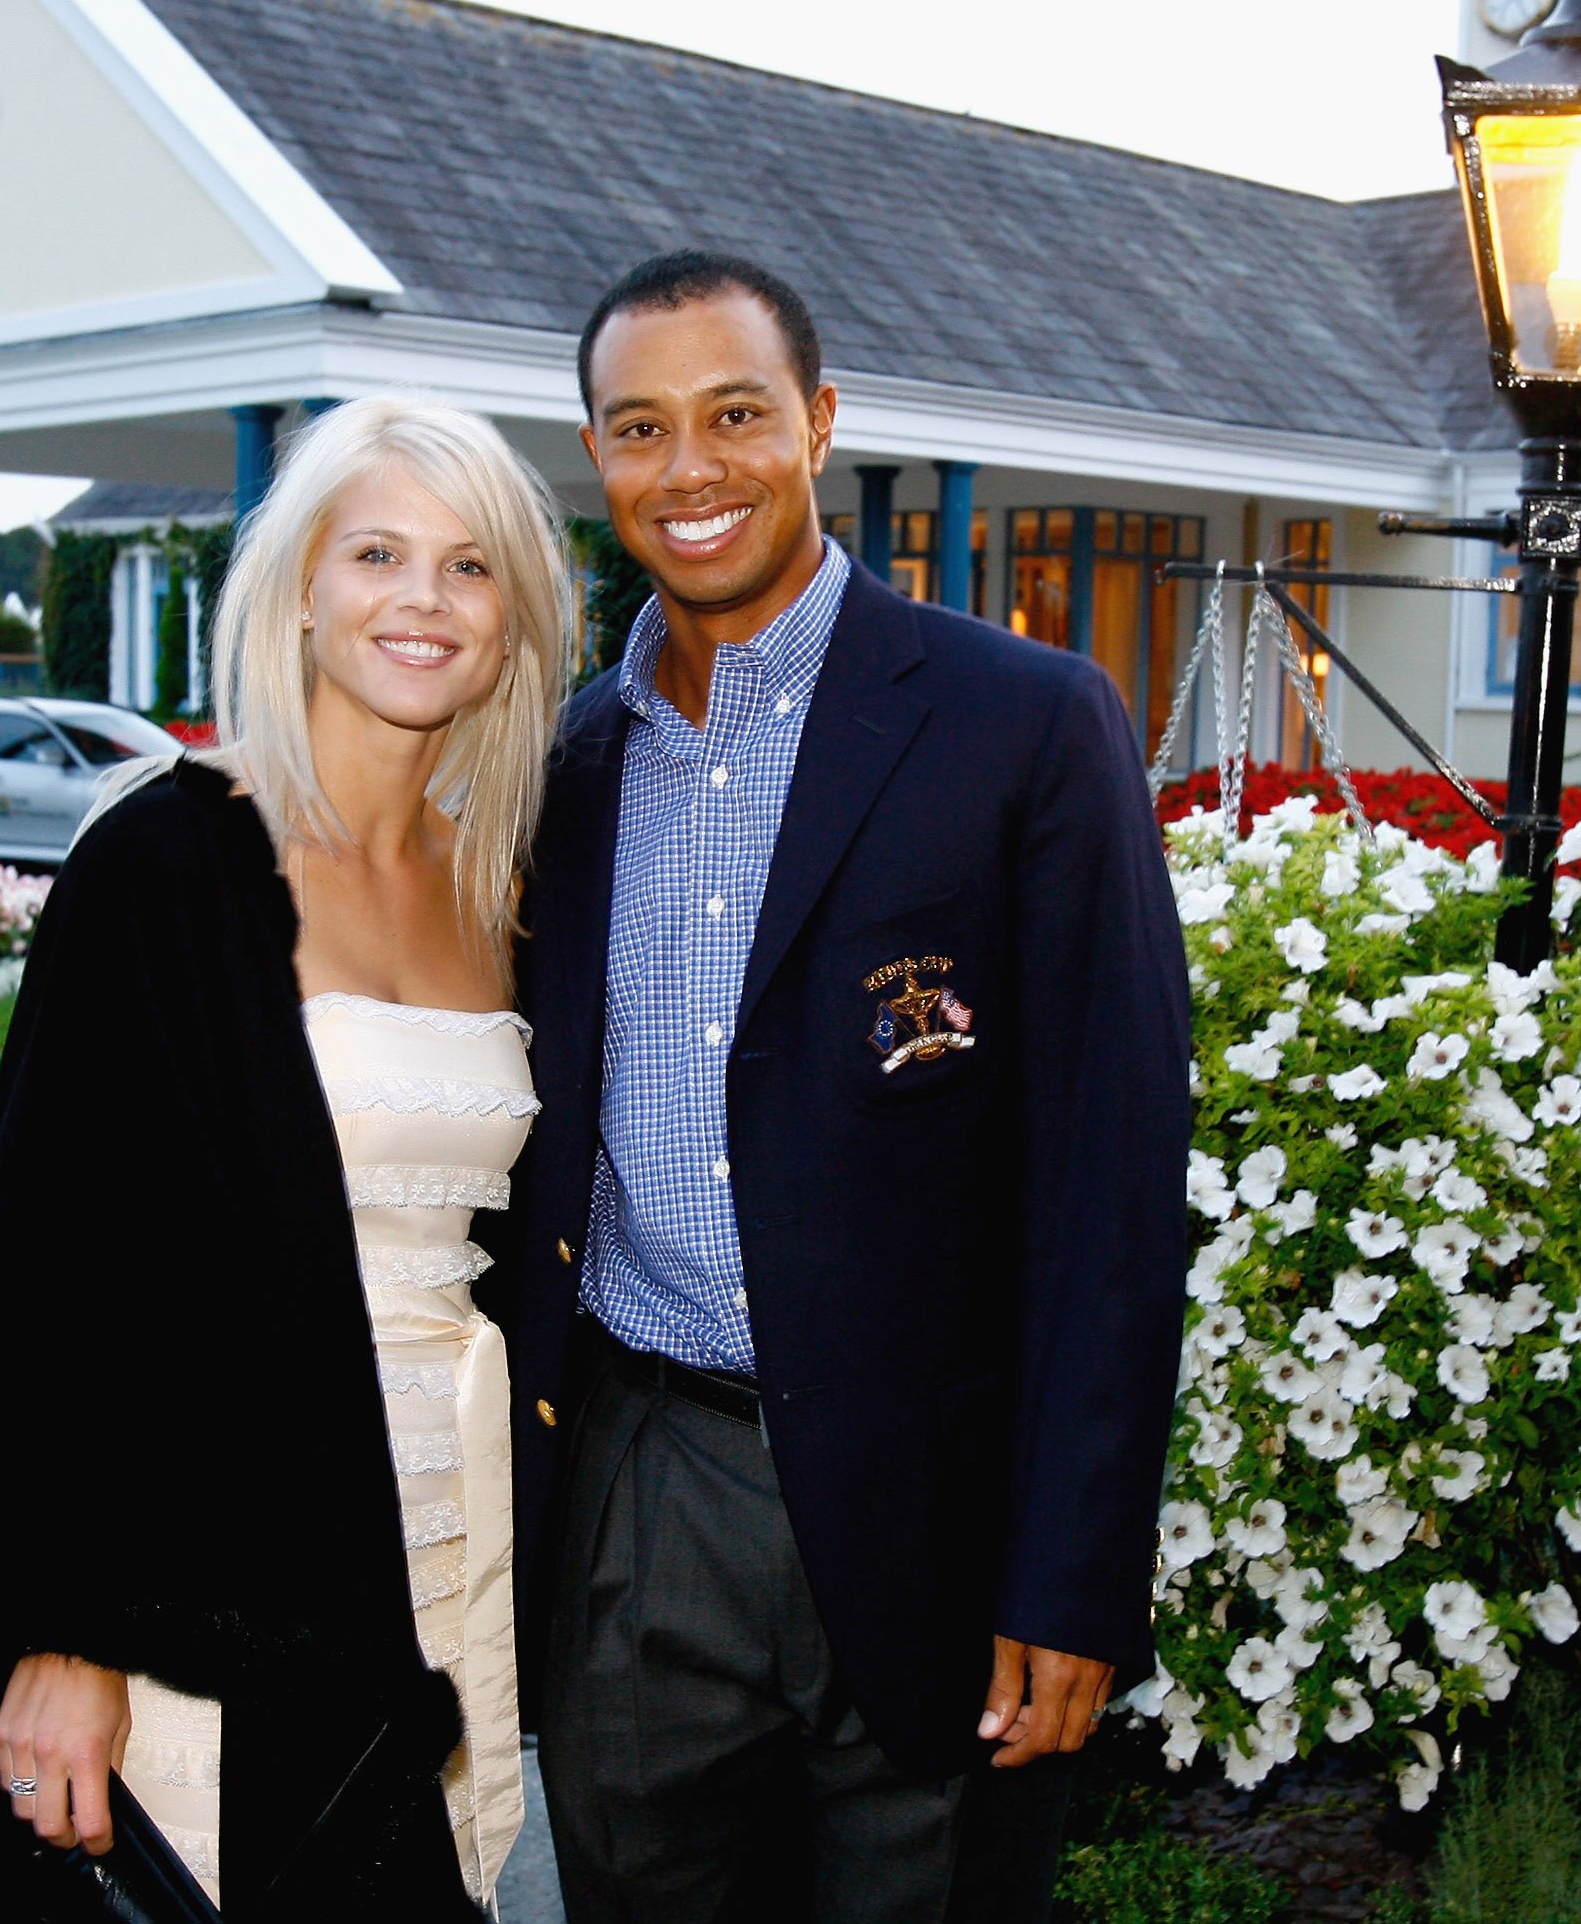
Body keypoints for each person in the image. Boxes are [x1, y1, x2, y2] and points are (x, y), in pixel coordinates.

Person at [0, 395, 578, 1920]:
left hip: (437, 1521)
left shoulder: (499, 886)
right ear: (299, 588)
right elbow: (50, 1276)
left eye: (471, 567)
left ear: (518, 621)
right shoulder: (164, 862)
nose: (423, 599)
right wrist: (65, 1637)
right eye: (378, 553)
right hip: (207, 1540)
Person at [496, 251, 1192, 1922]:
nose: (693, 470)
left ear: (817, 422)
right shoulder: (560, 769)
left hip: (933, 1522)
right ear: (597, 457)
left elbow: (1111, 1182)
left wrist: (1075, 1578)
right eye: (640, 428)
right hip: (639, 1495)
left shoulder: (1021, 723)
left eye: (736, 415)